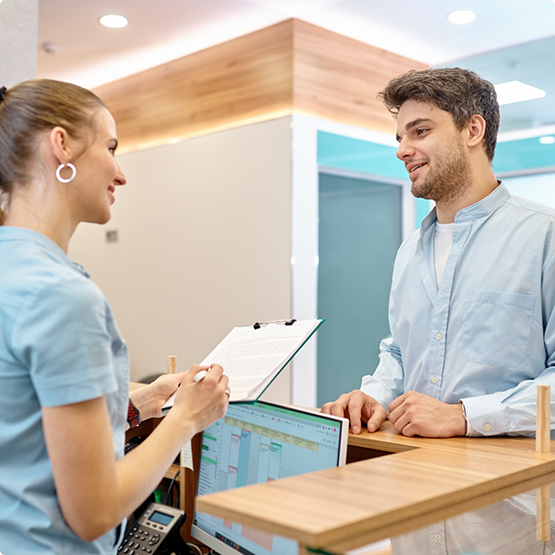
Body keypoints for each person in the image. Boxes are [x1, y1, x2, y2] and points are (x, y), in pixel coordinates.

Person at [0, 79, 230, 554]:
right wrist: (185, 419)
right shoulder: (62, 296)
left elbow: (22, 428)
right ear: (60, 144)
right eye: (110, 146)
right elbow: (95, 511)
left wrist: (143, 404)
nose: (121, 174)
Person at [322, 67, 555, 439]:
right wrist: (373, 395)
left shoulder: (545, 236)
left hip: (514, 490)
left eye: (421, 131)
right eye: (400, 137)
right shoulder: (410, 250)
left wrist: (464, 416)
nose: (402, 151)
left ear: (473, 131)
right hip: (416, 472)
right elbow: (399, 354)